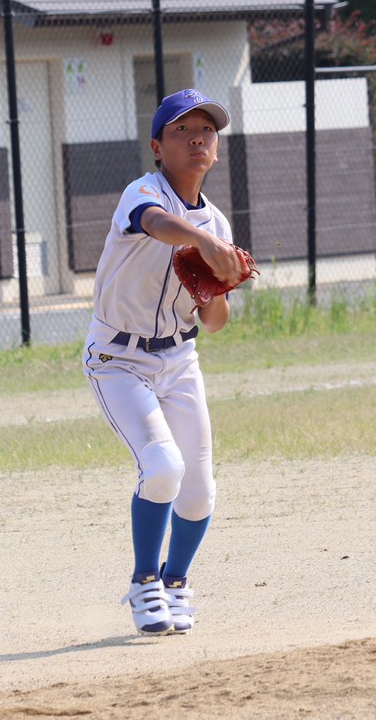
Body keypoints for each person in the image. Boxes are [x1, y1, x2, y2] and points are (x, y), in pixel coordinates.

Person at [82, 88, 250, 636]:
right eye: (182, 130)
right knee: (162, 467)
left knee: (199, 489)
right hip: (117, 359)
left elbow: (215, 323)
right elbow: (155, 223)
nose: (197, 138)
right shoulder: (143, 192)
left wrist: (214, 288)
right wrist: (205, 245)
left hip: (178, 360)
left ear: (216, 149)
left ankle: (175, 583)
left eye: (207, 131)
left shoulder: (217, 226)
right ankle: (144, 582)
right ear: (157, 146)